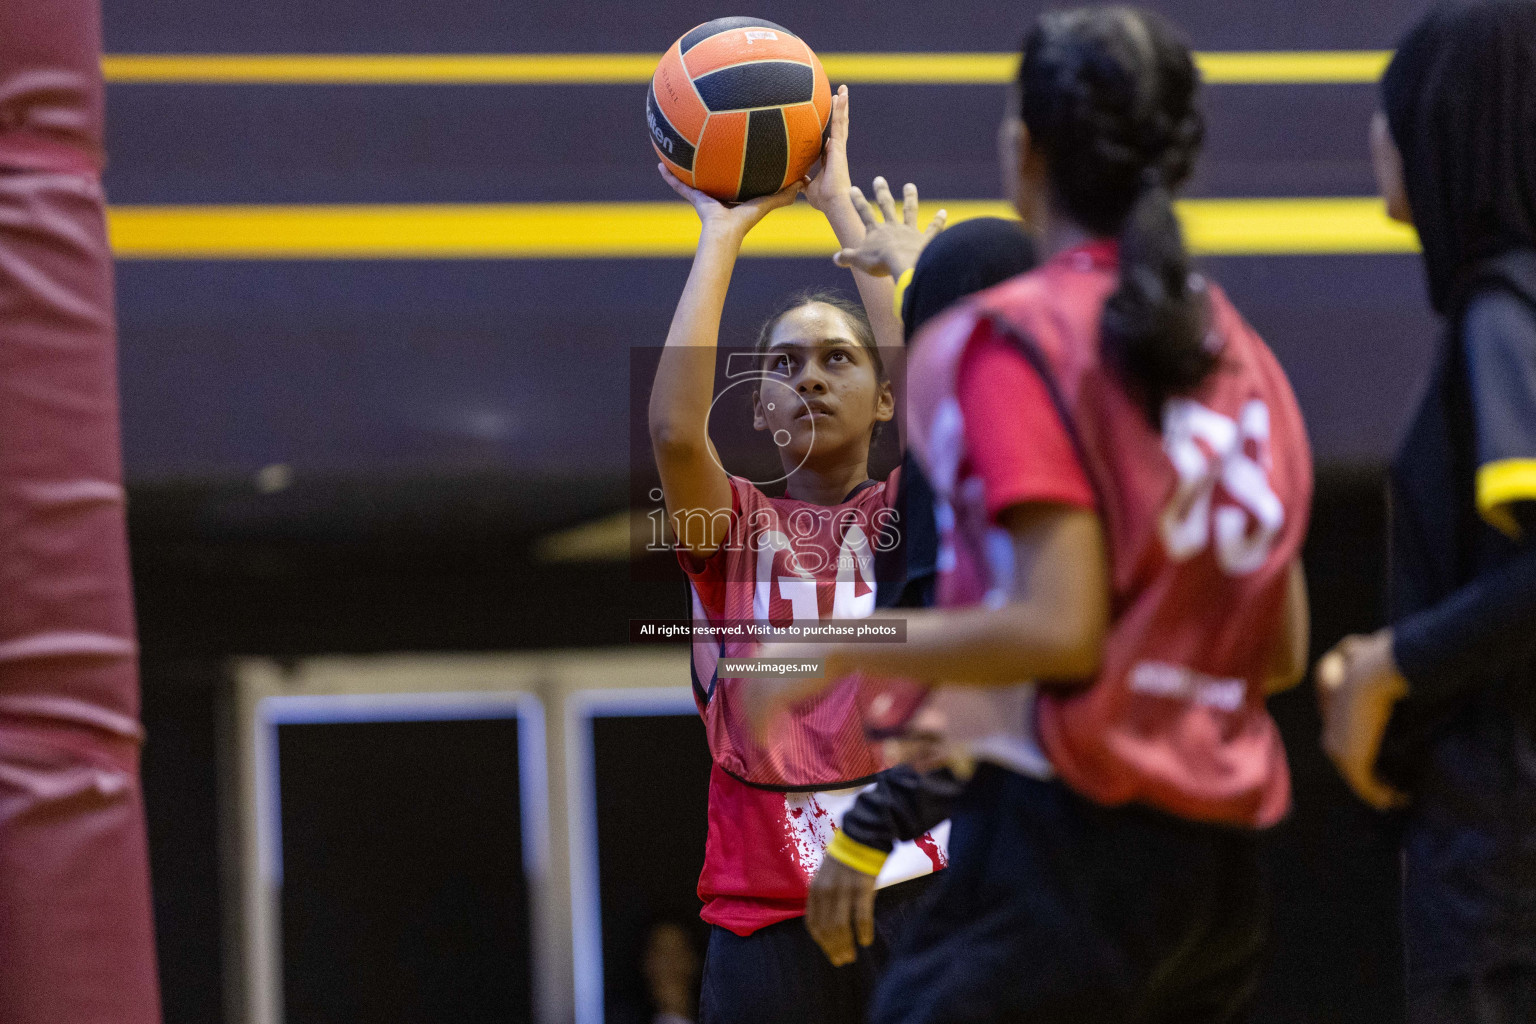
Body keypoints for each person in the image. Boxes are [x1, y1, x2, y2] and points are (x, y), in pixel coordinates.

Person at [749, 8, 1313, 1022]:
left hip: (1071, 850)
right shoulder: (1231, 347)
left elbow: (1055, 624)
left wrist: (842, 643)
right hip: (1222, 875)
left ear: (1028, 153)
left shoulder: (1022, 341)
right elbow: (1277, 647)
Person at [649, 85, 948, 1024]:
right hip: (765, 925)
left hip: (918, 900)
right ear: (759, 404)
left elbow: (946, 415)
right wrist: (721, 234)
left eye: (838, 360)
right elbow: (669, 429)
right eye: (782, 364)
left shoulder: (913, 512)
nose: (809, 377)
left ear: (885, 397)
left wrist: (843, 214)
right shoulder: (731, 530)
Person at [1316, 3, 1536, 1020]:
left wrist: (1382, 670)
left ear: (1445, 122)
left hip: (1503, 862)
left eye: (1388, 106)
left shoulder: (1505, 311)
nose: (1375, 132)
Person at [805, 217, 1038, 969]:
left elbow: (1007, 676)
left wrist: (879, 818)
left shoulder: (984, 476)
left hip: (1040, 859)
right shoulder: (1133, 431)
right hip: (1180, 854)